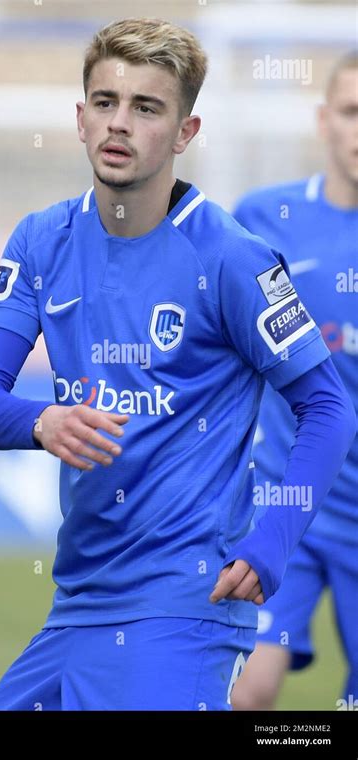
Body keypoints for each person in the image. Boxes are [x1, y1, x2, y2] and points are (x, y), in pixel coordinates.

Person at [0, 19, 355, 711]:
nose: (119, 123)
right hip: (78, 602)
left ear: (185, 132)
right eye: (105, 102)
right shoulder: (42, 240)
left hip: (182, 606)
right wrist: (42, 420)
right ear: (79, 119)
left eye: (146, 107)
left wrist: (271, 544)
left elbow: (328, 406)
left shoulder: (232, 257)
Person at [231, 52, 358, 711]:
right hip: (291, 502)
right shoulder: (264, 220)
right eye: (352, 112)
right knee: (245, 694)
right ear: (324, 121)